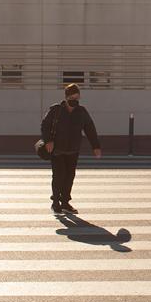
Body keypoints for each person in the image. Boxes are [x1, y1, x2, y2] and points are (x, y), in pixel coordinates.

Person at [41, 83, 102, 215]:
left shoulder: (81, 112)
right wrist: (48, 141)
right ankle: (55, 202)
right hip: (57, 149)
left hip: (73, 150)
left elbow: (90, 129)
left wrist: (96, 146)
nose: (75, 100)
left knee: (69, 176)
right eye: (72, 98)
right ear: (67, 97)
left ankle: (65, 202)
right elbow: (45, 125)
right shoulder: (56, 110)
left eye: (77, 98)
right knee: (59, 175)